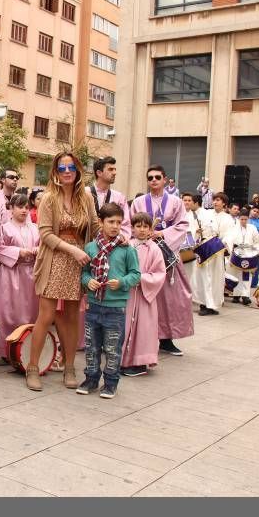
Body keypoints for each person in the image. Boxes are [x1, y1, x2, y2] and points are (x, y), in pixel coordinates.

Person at [25, 152, 99, 391]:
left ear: (78, 170)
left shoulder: (86, 197)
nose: (66, 172)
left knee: (71, 316)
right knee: (45, 316)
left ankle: (69, 367)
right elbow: (45, 234)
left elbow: (96, 226)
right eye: (61, 168)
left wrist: (116, 233)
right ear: (55, 172)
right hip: (55, 259)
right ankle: (33, 367)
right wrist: (73, 251)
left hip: (78, 262)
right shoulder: (48, 198)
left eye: (71, 168)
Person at [77, 202, 140, 399]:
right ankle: (91, 379)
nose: (114, 226)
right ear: (101, 222)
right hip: (94, 306)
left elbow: (136, 274)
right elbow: (84, 273)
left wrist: (121, 282)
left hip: (115, 309)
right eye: (110, 221)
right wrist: (89, 282)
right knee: (91, 346)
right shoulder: (90, 247)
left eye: (118, 222)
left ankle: (111, 382)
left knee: (112, 348)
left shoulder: (127, 249)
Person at [130, 165, 194, 357]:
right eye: (150, 178)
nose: (154, 180)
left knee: (169, 299)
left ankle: (166, 339)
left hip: (167, 255)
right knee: (144, 297)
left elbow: (182, 224)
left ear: (165, 179)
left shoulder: (175, 202)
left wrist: (162, 234)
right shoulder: (139, 202)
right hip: (144, 254)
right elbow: (130, 224)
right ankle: (140, 337)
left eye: (158, 177)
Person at [0, 194, 39, 359]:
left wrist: (38, 250)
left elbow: (43, 246)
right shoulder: (3, 228)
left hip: (31, 273)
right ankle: (6, 350)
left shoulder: (35, 228)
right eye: (20, 207)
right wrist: (19, 252)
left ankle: (27, 349)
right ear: (11, 209)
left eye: (27, 207)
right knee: (8, 311)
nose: (24, 211)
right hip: (10, 273)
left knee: (30, 311)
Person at [121, 212, 167, 377]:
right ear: (132, 229)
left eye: (145, 226)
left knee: (143, 327)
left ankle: (140, 362)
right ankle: (123, 361)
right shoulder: (127, 246)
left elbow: (160, 273)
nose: (141, 230)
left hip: (144, 294)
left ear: (150, 229)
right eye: (138, 226)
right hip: (128, 293)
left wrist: (141, 278)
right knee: (125, 326)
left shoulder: (154, 249)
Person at [191, 192, 234, 316]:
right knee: (202, 277)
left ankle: (212, 304)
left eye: (219, 200)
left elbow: (229, 235)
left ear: (224, 203)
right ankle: (203, 303)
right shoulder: (207, 213)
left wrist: (223, 244)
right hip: (204, 249)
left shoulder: (227, 218)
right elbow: (197, 226)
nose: (215, 202)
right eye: (214, 200)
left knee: (214, 278)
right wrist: (197, 233)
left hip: (216, 250)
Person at [86, 156, 130, 240]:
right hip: (86, 245)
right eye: (110, 169)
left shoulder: (119, 197)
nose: (114, 173)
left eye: (115, 169)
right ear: (99, 173)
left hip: (112, 246)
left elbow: (126, 224)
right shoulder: (84, 193)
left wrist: (122, 237)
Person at [225, 209, 259, 305]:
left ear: (248, 219)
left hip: (249, 254)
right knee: (236, 274)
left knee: (247, 275)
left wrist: (256, 251)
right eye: (241, 219)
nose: (243, 221)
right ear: (238, 219)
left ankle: (245, 295)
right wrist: (232, 248)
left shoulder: (252, 228)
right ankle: (236, 295)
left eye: (245, 219)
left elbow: (257, 241)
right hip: (237, 254)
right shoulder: (233, 228)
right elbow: (227, 240)